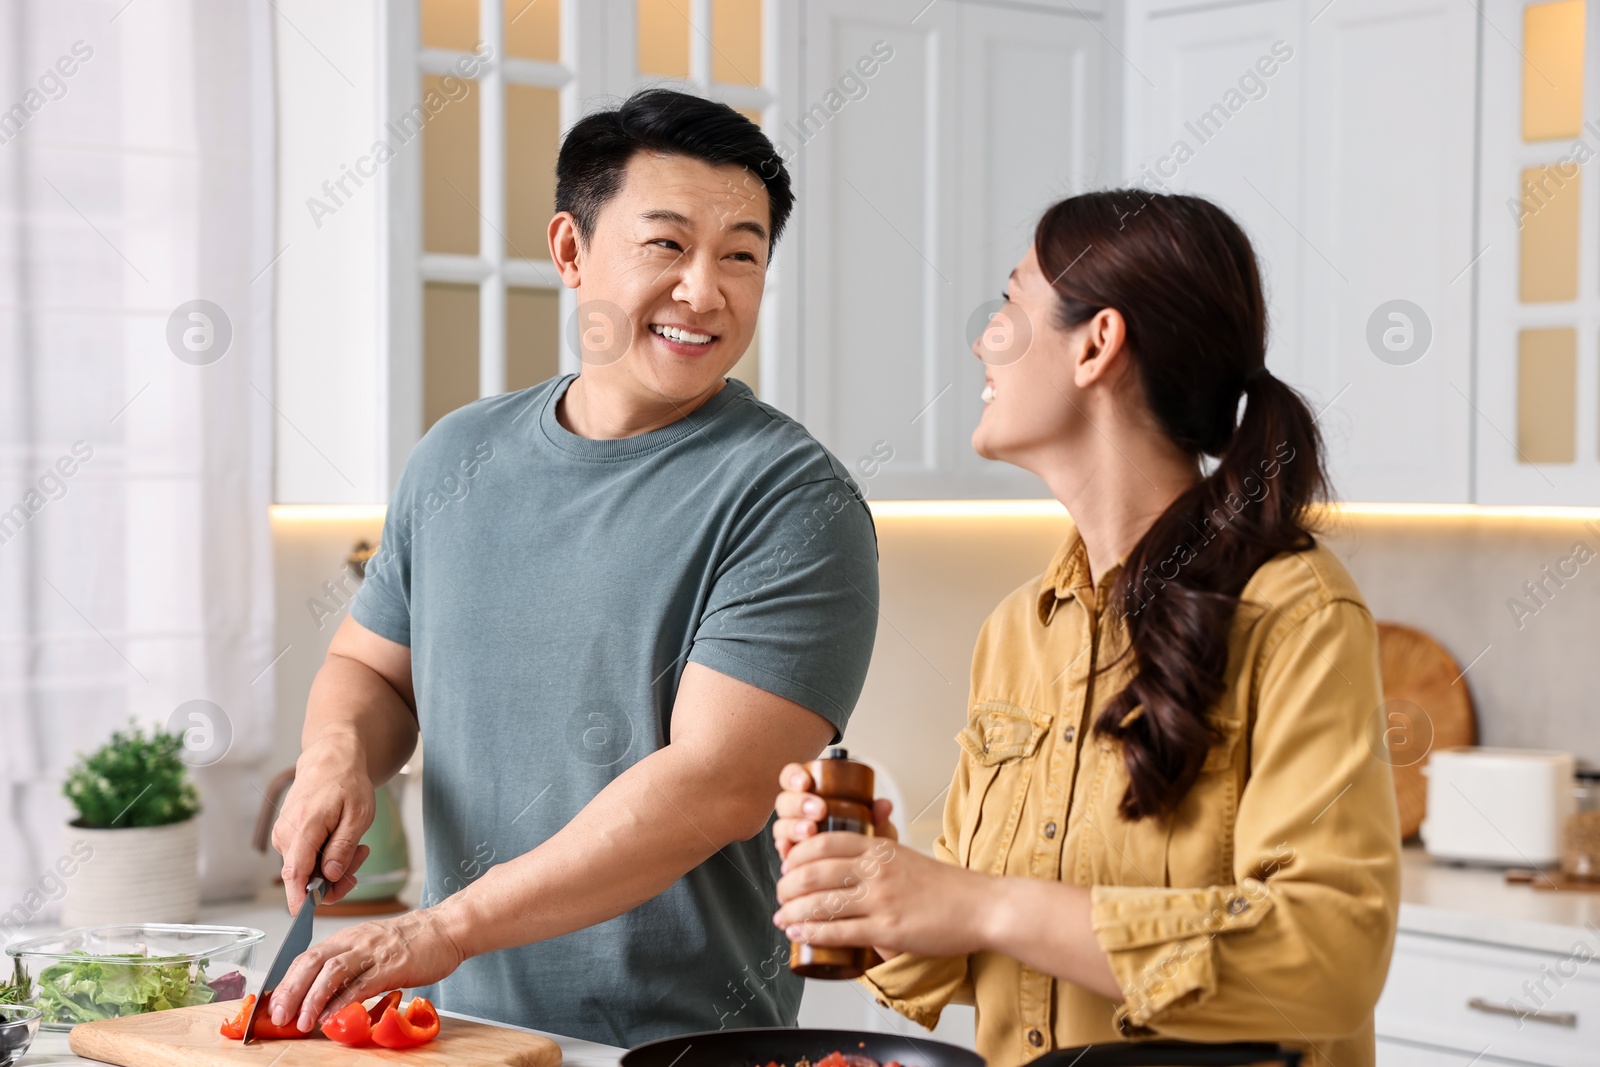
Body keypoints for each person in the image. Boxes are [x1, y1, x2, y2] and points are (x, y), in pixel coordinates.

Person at [263, 89, 880, 1048]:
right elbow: (372, 670)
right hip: (454, 1031)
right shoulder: (456, 455)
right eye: (667, 245)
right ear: (570, 251)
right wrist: (335, 759)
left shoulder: (795, 499)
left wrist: (445, 926)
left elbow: (714, 784)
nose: (705, 291)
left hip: (677, 1043)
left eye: (743, 255)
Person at [771, 190, 1400, 1067]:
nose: (986, 338)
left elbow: (1329, 955)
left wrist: (986, 903)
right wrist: (885, 888)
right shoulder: (1019, 630)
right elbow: (965, 958)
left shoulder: (1295, 611)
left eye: (1010, 304)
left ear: (1097, 343)